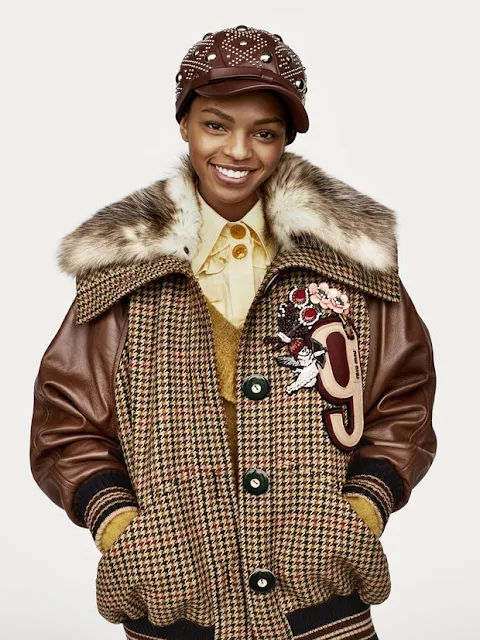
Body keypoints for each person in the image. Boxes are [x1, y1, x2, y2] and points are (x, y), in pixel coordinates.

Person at [29, 25, 437, 640]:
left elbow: (404, 395)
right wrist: (120, 527)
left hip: (322, 606)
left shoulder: (350, 255)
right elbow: (65, 419)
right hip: (177, 607)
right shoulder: (122, 264)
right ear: (184, 125)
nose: (239, 150)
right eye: (216, 125)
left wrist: (362, 507)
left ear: (286, 138)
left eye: (264, 132)